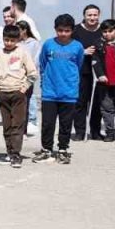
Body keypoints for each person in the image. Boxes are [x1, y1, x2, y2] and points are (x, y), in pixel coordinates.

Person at [34, 14, 84, 164]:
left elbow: (79, 64)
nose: (63, 34)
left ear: (72, 30)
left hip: (68, 92)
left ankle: (63, 149)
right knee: (48, 123)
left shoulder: (77, 46)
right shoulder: (48, 44)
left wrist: (71, 82)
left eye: (67, 31)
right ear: (55, 29)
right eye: (60, 30)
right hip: (50, 92)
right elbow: (42, 63)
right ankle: (46, 149)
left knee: (66, 123)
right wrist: (45, 82)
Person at [0, 23, 38, 168]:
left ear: (18, 40)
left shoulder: (23, 52)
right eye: (6, 40)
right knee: (7, 126)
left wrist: (23, 89)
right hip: (3, 93)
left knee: (17, 125)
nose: (9, 43)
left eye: (12, 40)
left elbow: (32, 73)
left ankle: (16, 154)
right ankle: (9, 152)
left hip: (18, 93)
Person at [72, 4, 104, 140]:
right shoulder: (76, 30)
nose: (92, 18)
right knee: (80, 101)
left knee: (97, 101)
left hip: (99, 71)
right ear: (84, 16)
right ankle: (80, 131)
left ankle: (95, 131)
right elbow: (70, 47)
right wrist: (83, 52)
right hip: (82, 70)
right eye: (89, 15)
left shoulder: (103, 30)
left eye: (95, 15)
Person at [0, 6, 18, 128]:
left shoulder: (19, 29)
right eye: (4, 16)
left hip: (14, 63)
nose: (6, 19)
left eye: (9, 16)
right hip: (0, 62)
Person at [94, 19, 115, 143]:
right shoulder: (99, 45)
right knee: (106, 108)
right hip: (105, 82)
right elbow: (96, 61)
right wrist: (100, 74)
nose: (107, 34)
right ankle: (110, 132)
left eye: (110, 31)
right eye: (104, 31)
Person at [16, 20, 42, 136]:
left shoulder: (34, 43)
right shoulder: (16, 43)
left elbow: (36, 59)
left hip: (27, 76)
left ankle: (24, 129)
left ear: (24, 30)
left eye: (19, 30)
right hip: (16, 76)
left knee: (25, 102)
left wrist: (30, 70)